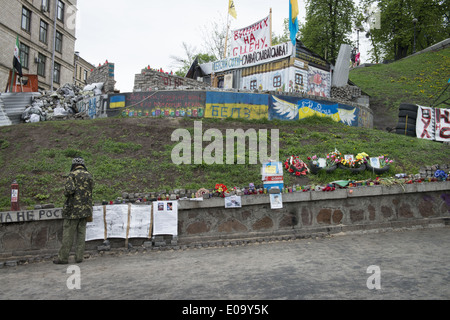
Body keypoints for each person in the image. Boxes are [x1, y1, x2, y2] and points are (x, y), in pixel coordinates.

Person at [54, 157, 94, 264]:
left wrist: (67, 194)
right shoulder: (89, 175)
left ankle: (63, 258)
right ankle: (79, 257)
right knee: (81, 234)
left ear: (74, 165)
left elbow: (69, 190)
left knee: (68, 234)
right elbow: (91, 190)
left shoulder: (72, 175)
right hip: (85, 210)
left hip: (73, 210)